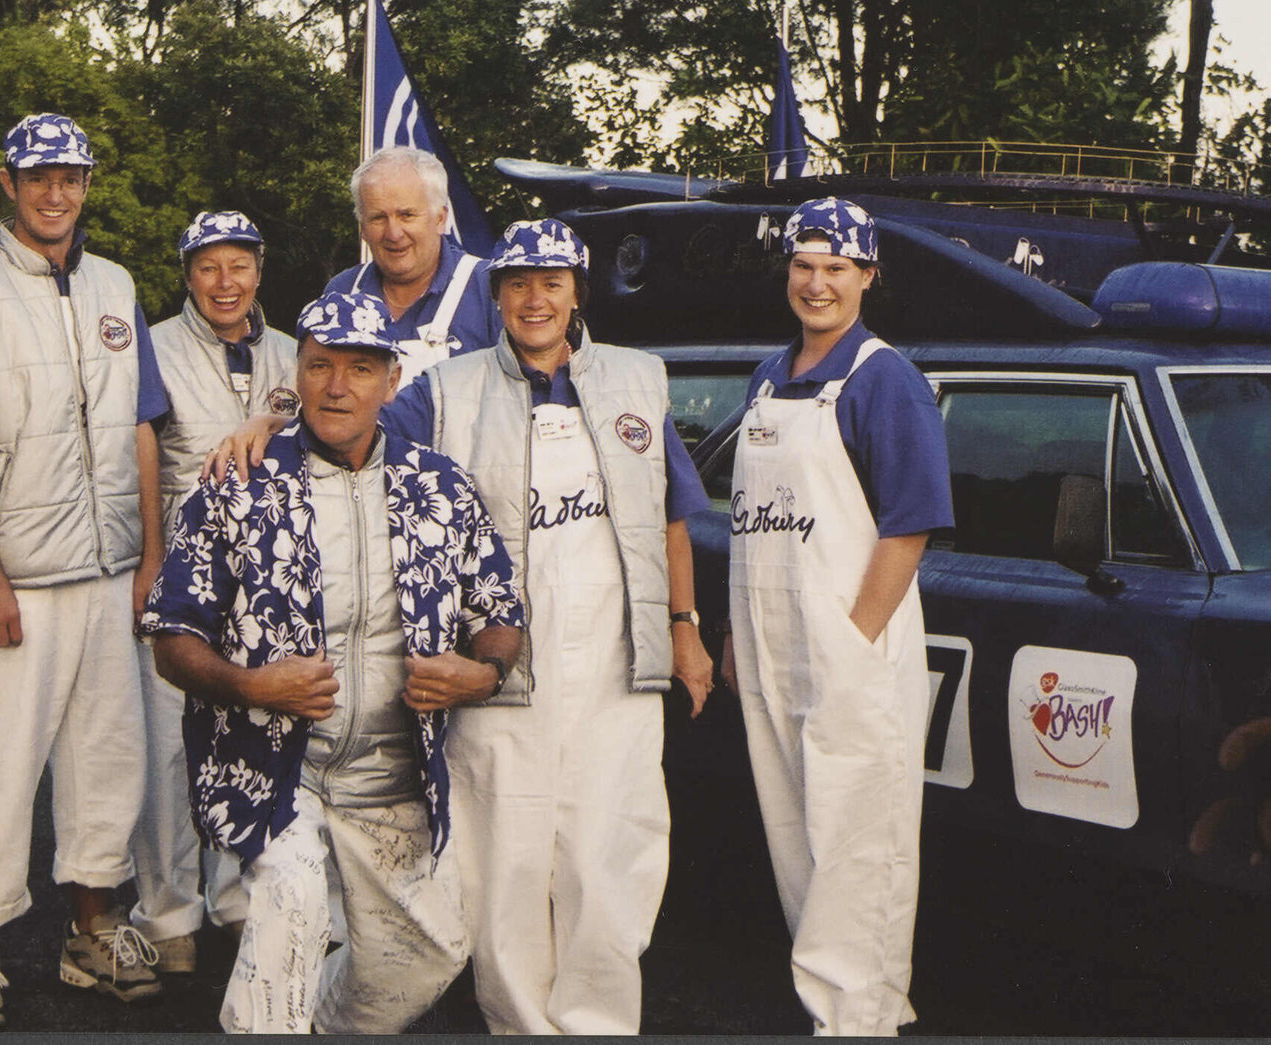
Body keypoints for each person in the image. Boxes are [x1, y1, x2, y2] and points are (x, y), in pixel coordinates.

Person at [140, 290, 527, 1035]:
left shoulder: (438, 485)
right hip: (279, 768)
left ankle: (320, 1027)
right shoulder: (238, 483)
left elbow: (500, 611)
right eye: (320, 365)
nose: (337, 384)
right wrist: (250, 683)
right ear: (299, 370)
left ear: (390, 379)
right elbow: (171, 636)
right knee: (289, 916)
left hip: (393, 777)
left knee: (429, 953)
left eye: (359, 367)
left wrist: (483, 672)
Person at [383, 217, 715, 1034]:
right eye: (520, 282)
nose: (536, 298)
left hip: (616, 660)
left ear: (578, 293)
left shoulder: (639, 381)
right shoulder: (446, 389)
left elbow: (673, 516)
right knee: (507, 855)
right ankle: (521, 1021)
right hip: (501, 667)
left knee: (612, 852)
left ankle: (600, 1020)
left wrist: (686, 627)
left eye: (553, 282)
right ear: (496, 294)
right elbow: (356, 449)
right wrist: (267, 426)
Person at [0, 113, 168, 1029]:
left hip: (108, 569)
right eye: (38, 177)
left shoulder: (116, 282)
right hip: (15, 576)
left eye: (72, 177)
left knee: (108, 760)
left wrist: (152, 558)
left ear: (87, 184)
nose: (56, 193)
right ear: (8, 184)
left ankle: (94, 927)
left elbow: (140, 423)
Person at [721, 197, 952, 1037]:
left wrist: (853, 643)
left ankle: (855, 1019)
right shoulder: (768, 375)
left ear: (868, 276)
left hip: (852, 646)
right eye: (804, 266)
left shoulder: (881, 378)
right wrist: (736, 635)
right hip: (775, 649)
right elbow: (754, 522)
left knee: (859, 839)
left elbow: (910, 522)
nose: (817, 284)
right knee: (796, 836)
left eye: (837, 269)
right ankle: (854, 1008)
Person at [127, 210, 299, 971]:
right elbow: (141, 461)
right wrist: (151, 562)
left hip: (267, 572)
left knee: (248, 730)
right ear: (187, 275)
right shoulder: (154, 346)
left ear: (260, 270)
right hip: (183, 555)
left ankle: (236, 898)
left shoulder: (297, 351)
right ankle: (166, 913)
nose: (224, 283)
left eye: (239, 265)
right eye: (208, 267)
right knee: (167, 738)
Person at [322, 145, 501, 390]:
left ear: (440, 218)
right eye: (378, 218)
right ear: (362, 227)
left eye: (407, 215)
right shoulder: (342, 291)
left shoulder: (490, 287)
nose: (394, 233)